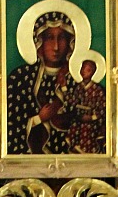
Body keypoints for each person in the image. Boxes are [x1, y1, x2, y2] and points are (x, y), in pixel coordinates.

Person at [7, 11, 77, 156]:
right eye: (50, 38)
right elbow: (9, 126)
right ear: (39, 42)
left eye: (62, 38)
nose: (56, 46)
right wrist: (39, 119)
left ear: (70, 42)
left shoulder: (76, 81)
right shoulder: (20, 79)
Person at [67, 59, 106, 154]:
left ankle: (87, 151)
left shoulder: (97, 89)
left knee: (87, 128)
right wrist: (64, 88)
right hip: (79, 117)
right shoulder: (79, 87)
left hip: (93, 120)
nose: (83, 71)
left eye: (87, 70)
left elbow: (102, 107)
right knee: (73, 126)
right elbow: (73, 101)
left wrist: (91, 118)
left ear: (93, 72)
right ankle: (75, 147)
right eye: (82, 68)